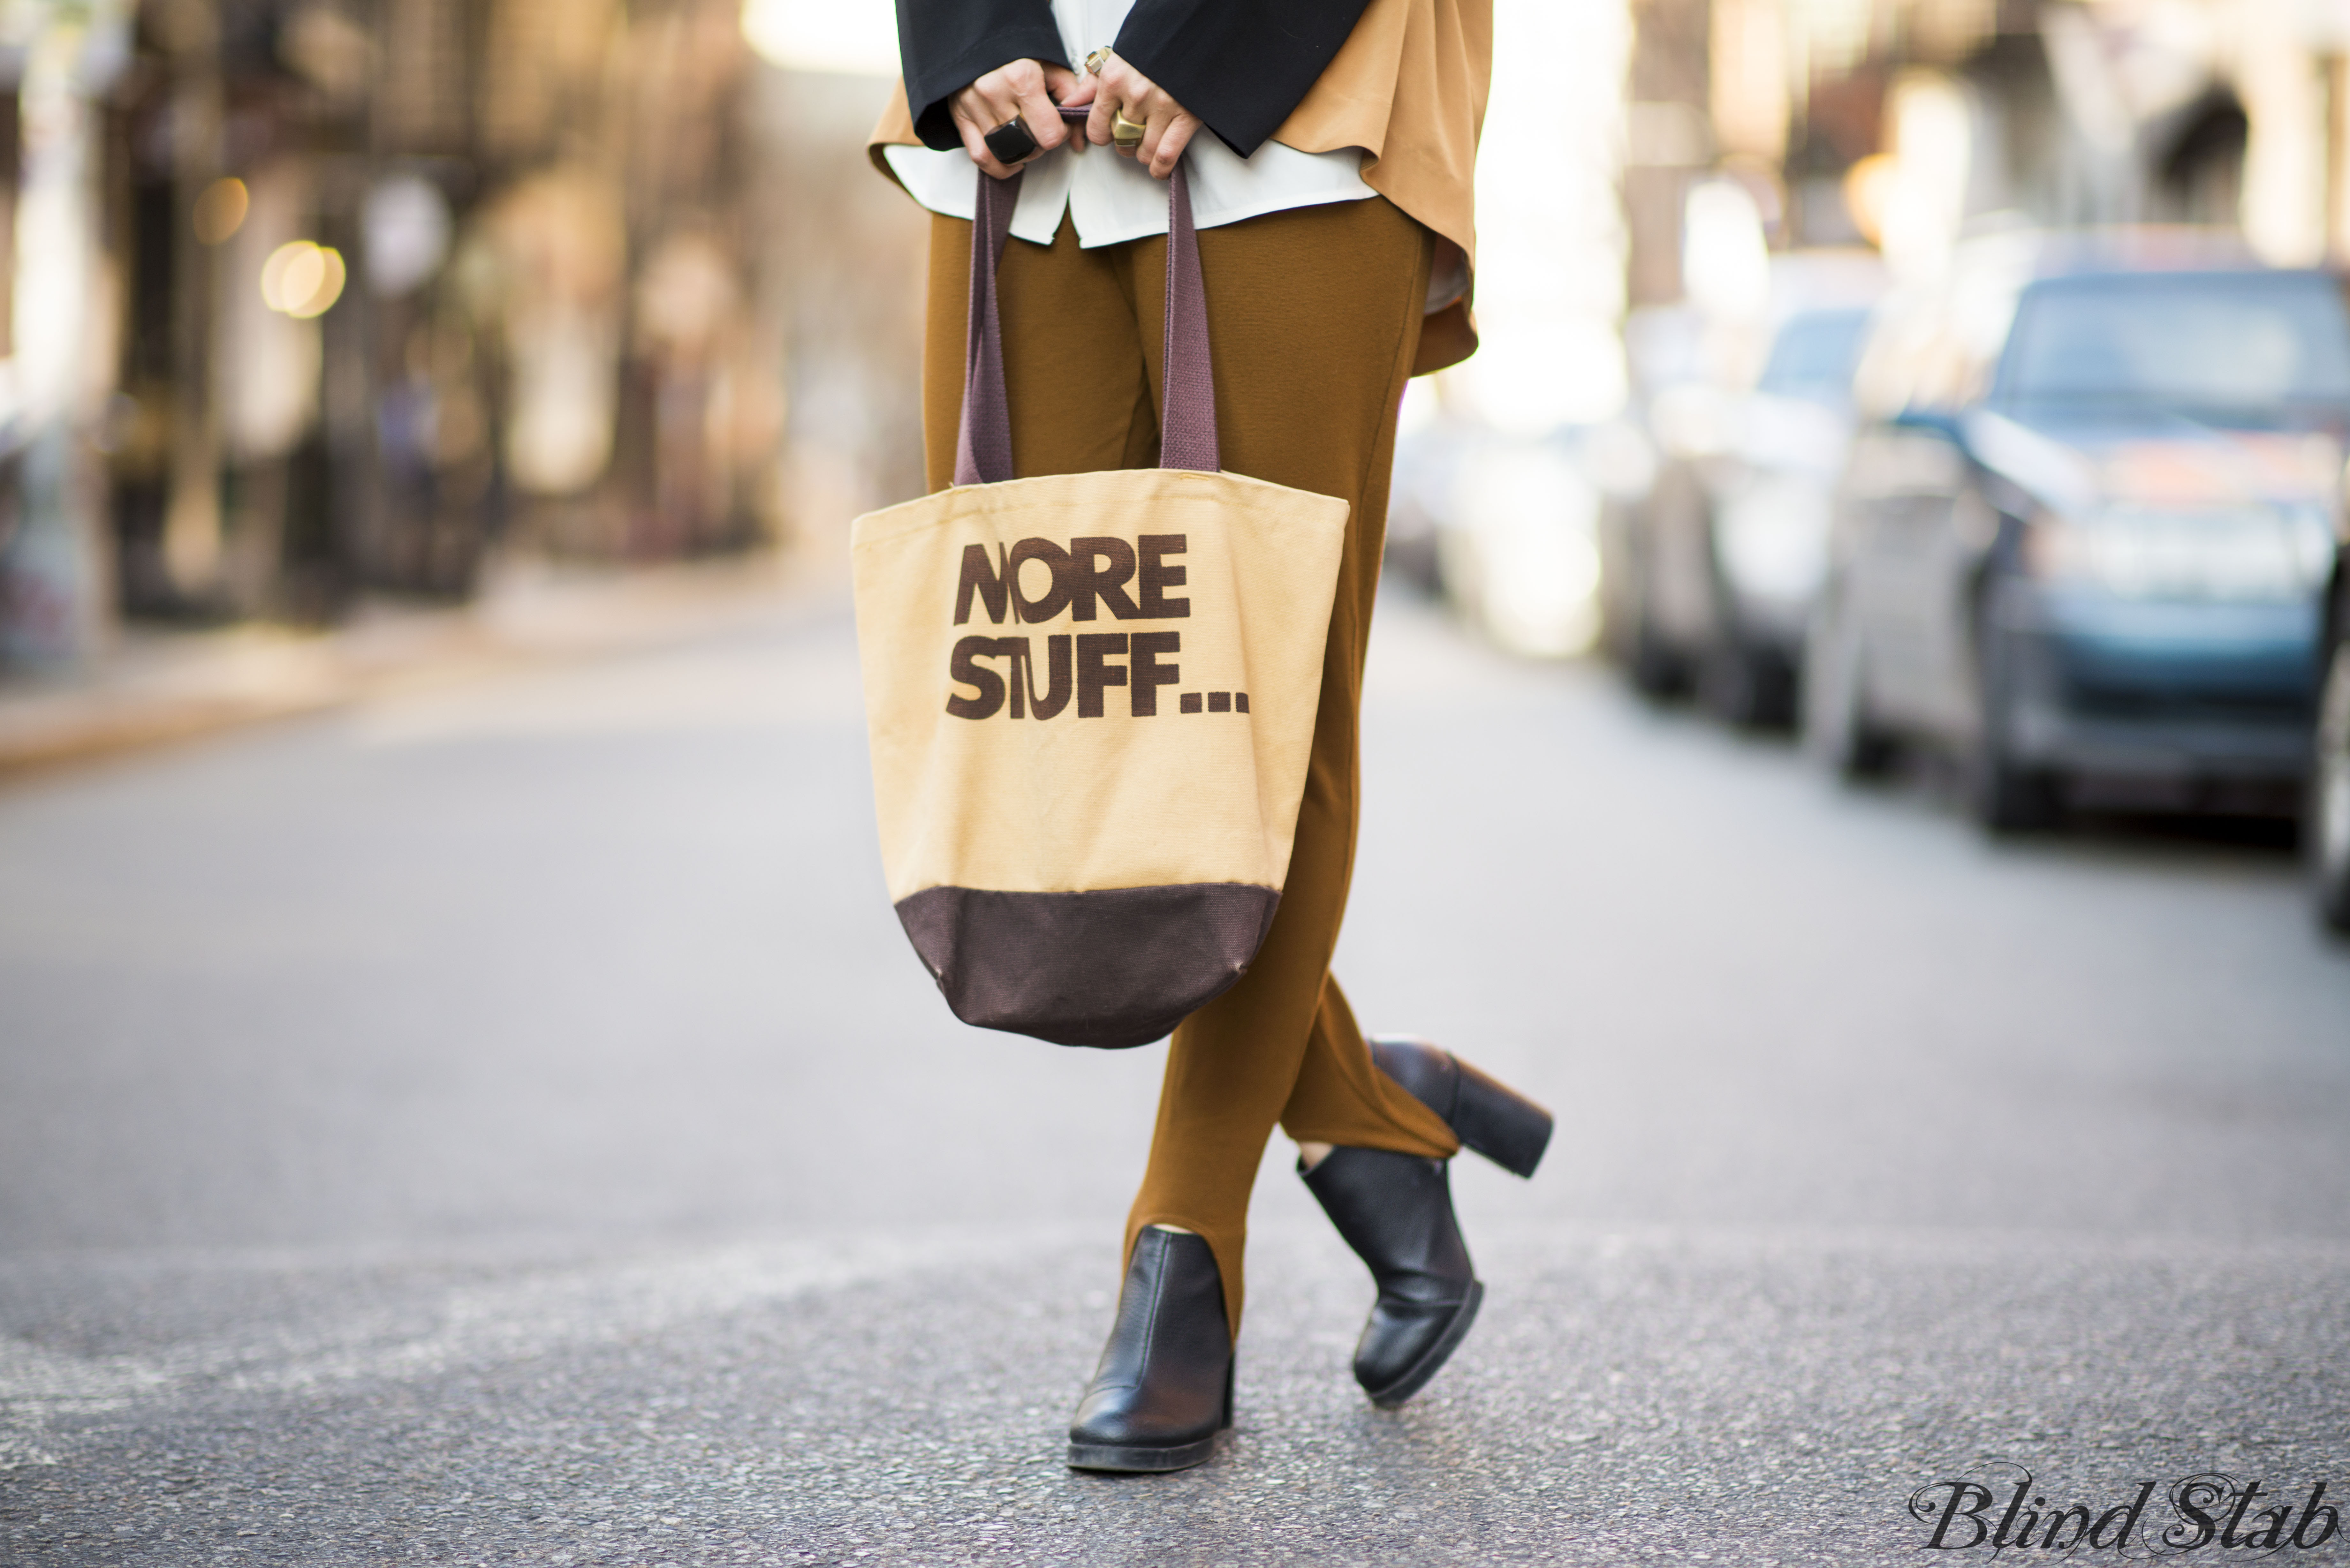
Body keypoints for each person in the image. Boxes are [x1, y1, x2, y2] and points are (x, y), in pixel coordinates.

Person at [871, 0, 1552, 1473]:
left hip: (1303, 115)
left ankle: (1184, 1255)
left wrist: (1214, 29)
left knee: (1263, 711)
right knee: (1068, 697)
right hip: (1015, 125)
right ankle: (1359, 1102)